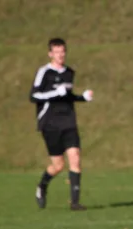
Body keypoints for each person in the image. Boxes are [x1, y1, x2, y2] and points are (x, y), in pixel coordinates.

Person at [30, 38, 93, 211]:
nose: (60, 55)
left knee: (76, 158)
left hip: (68, 121)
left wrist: (82, 98)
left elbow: (67, 96)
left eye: (63, 51)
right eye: (56, 52)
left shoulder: (69, 73)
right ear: (50, 54)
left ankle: (75, 203)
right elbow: (34, 96)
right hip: (50, 123)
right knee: (58, 166)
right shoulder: (44, 72)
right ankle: (42, 186)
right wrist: (54, 92)